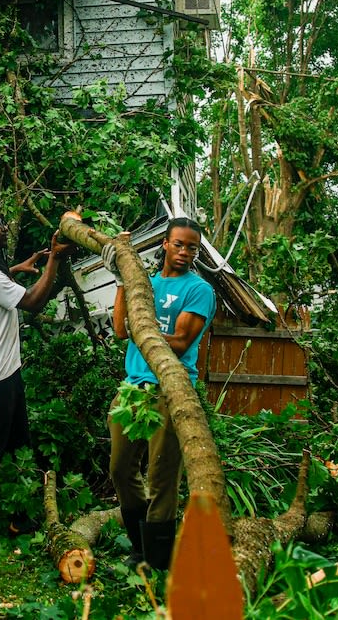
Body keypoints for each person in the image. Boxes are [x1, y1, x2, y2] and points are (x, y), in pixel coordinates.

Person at [101, 216, 216, 570]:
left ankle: (159, 559)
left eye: (192, 247)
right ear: (164, 244)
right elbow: (121, 330)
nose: (184, 252)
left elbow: (180, 343)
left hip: (171, 389)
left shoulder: (199, 290)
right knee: (120, 468)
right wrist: (122, 281)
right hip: (132, 388)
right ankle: (139, 542)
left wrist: (145, 328)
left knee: (162, 475)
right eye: (178, 244)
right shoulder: (144, 285)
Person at [0, 205, 74, 550]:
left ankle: (21, 518)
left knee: (21, 447)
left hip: (8, 372)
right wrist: (52, 259)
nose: (3, 228)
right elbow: (34, 300)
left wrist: (19, 267)